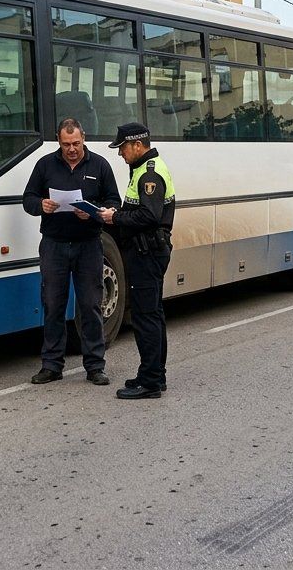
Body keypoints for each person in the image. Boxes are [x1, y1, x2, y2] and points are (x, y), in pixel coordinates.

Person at [21, 119, 121, 386]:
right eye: (66, 145)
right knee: (53, 305)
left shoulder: (99, 165)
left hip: (88, 244)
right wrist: (41, 204)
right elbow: (27, 198)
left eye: (76, 143)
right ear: (58, 141)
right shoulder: (45, 165)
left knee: (90, 304)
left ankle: (95, 366)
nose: (72, 149)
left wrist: (92, 212)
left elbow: (114, 202)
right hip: (54, 244)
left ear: (83, 138)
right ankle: (52, 365)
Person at [100, 123, 175, 400]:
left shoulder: (149, 174)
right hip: (147, 252)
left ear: (137, 145)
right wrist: (117, 213)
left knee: (145, 317)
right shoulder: (143, 169)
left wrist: (114, 218)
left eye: (122, 148)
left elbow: (149, 216)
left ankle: (151, 381)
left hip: (147, 253)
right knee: (153, 314)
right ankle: (155, 374)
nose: (120, 154)